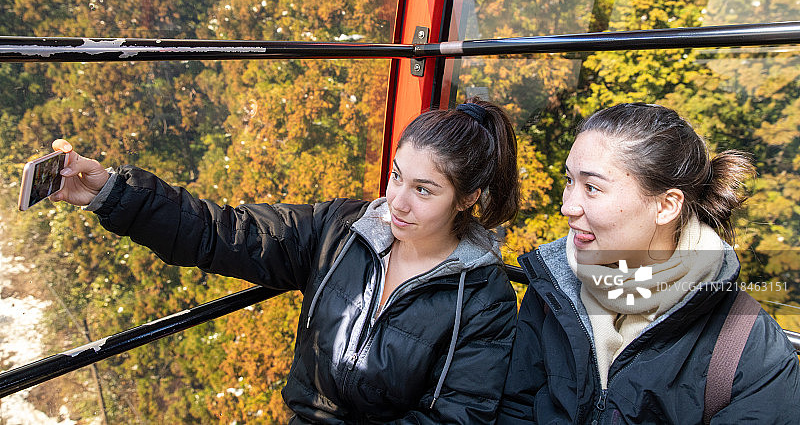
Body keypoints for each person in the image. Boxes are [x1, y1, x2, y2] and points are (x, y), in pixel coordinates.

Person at [51, 98, 520, 424]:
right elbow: (223, 234)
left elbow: (456, 417)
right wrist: (110, 192)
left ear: (467, 198)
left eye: (424, 190)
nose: (397, 202)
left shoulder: (482, 298)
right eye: (397, 176)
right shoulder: (340, 230)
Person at [498, 102, 800, 424]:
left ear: (667, 206)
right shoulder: (553, 289)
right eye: (569, 180)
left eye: (592, 187)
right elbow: (517, 408)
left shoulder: (747, 349)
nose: (568, 206)